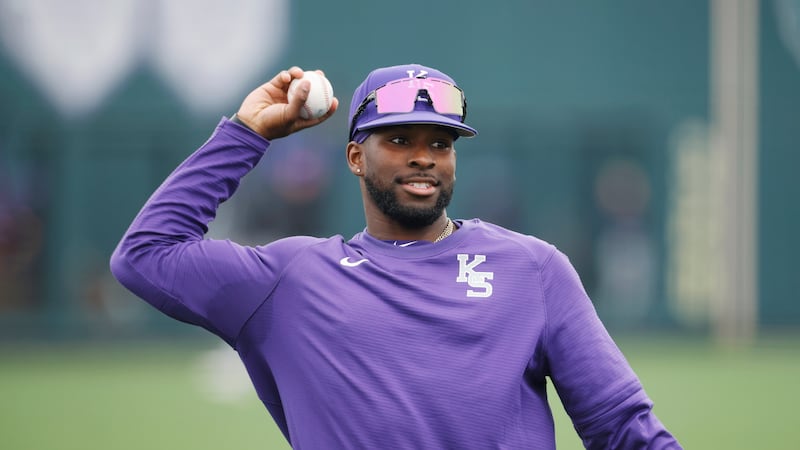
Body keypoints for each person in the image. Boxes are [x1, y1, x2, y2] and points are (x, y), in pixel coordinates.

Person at [110, 63, 681, 449]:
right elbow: (146, 254)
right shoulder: (291, 281)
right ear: (357, 158)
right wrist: (244, 133)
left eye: (440, 142)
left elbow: (621, 427)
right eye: (400, 140)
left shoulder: (531, 268)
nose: (425, 157)